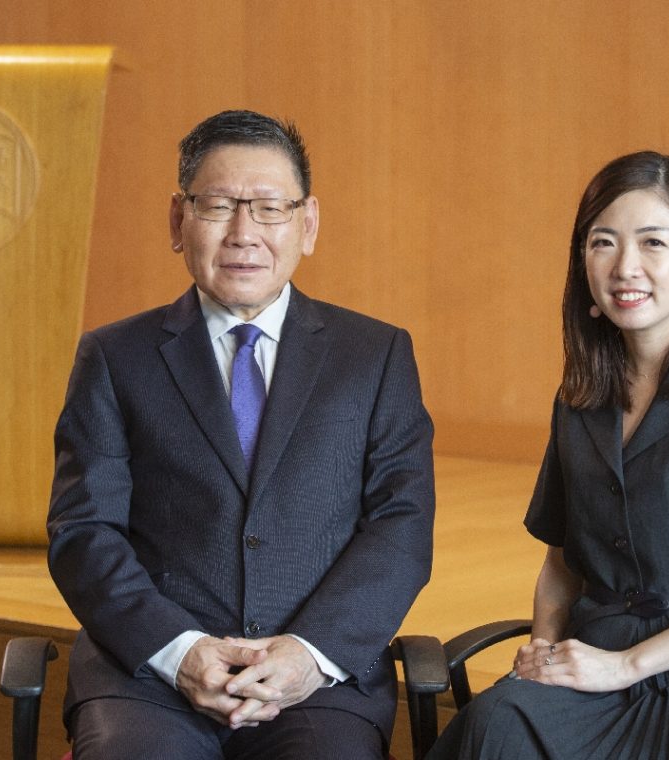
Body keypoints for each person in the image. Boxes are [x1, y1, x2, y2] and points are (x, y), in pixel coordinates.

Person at [47, 109, 435, 760]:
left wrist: (309, 654)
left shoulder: (375, 356)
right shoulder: (116, 357)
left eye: (269, 208)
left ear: (307, 223)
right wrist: (181, 652)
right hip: (149, 676)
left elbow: (402, 526)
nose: (243, 233)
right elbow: (83, 532)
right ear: (178, 221)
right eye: (219, 205)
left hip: (314, 679)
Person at [426, 151, 669, 759]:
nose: (625, 267)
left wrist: (627, 666)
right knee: (497, 723)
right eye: (603, 243)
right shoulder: (580, 397)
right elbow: (562, 565)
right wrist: (544, 648)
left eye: (653, 243)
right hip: (603, 655)